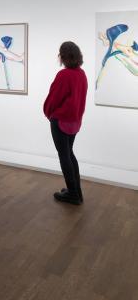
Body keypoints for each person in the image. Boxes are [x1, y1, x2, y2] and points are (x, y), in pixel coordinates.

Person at [43, 41, 88, 205]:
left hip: (61, 120)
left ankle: (73, 195)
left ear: (62, 56)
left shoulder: (64, 75)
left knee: (64, 156)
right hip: (74, 121)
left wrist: (49, 113)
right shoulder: (81, 74)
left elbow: (54, 99)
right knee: (69, 153)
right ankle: (76, 191)